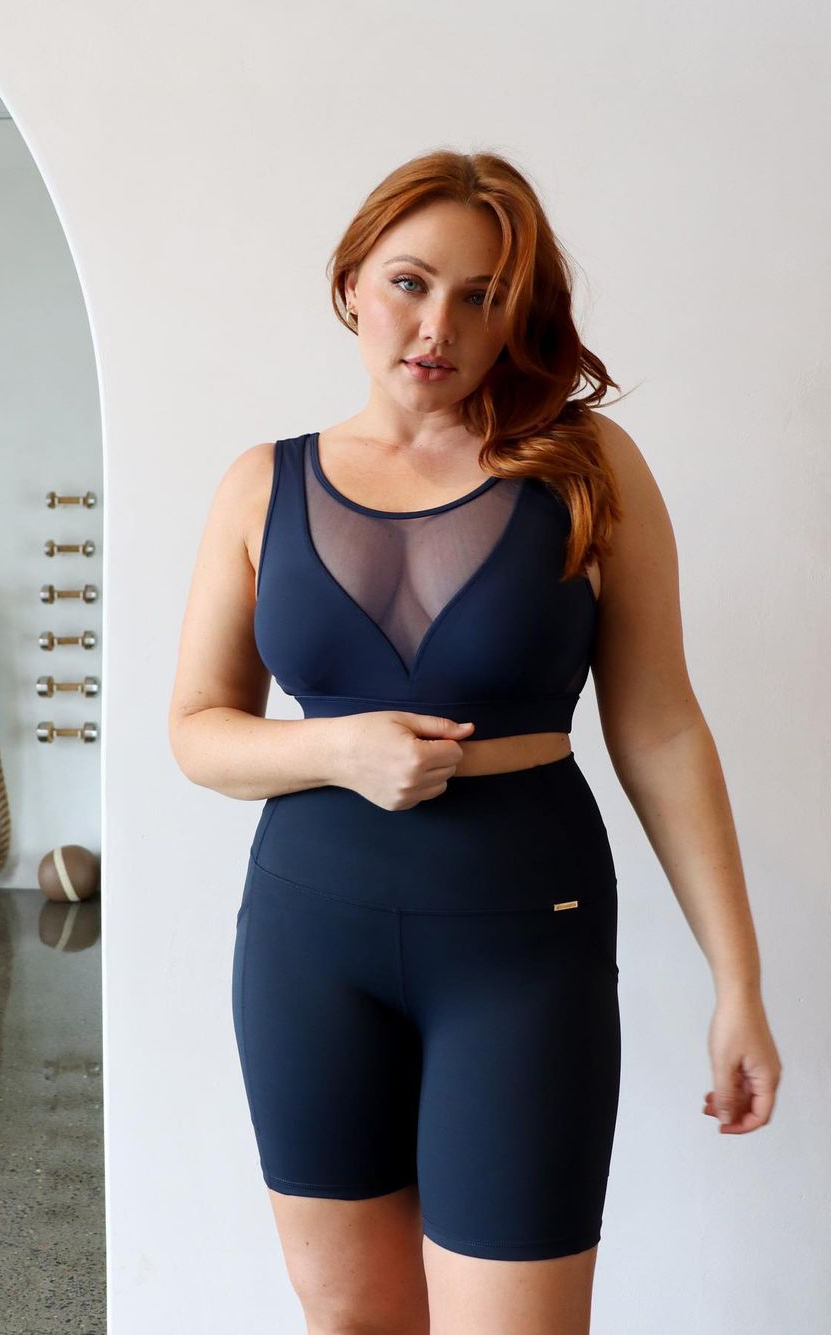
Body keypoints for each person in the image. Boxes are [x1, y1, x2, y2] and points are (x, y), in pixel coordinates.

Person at [167, 148, 782, 1335]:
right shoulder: (259, 486)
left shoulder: (587, 470)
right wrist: (336, 752)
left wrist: (738, 983)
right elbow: (198, 732)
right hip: (308, 947)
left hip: (524, 948)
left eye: (481, 296)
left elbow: (661, 729)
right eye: (409, 282)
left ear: (517, 315)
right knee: (352, 1321)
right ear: (352, 283)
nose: (436, 325)